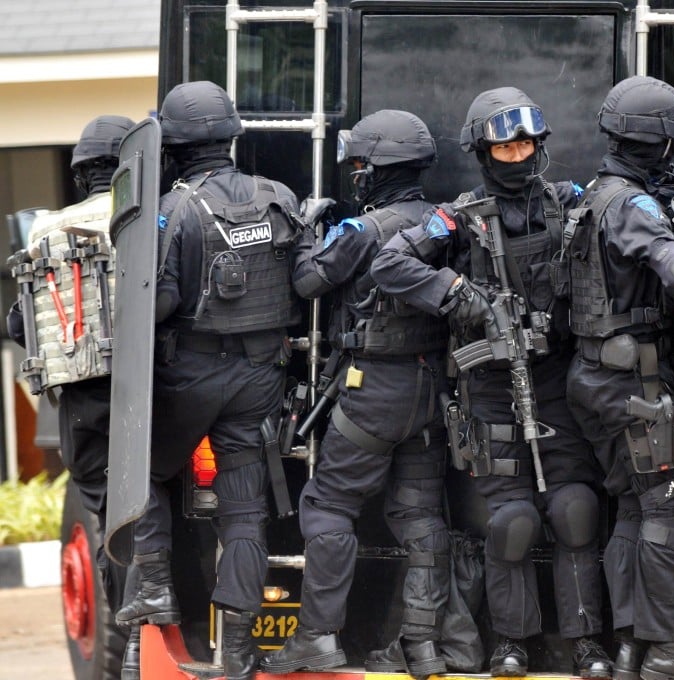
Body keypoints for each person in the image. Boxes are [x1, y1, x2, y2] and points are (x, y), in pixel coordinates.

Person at [371, 87, 612, 679]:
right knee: (512, 523)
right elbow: (390, 264)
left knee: (576, 510)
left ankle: (586, 644)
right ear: (484, 152)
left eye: (526, 145)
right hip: (491, 389)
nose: (518, 156)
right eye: (505, 148)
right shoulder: (459, 217)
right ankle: (511, 641)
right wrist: (461, 295)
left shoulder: (568, 202)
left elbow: (635, 212)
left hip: (557, 382)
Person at [113, 80, 305, 680]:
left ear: (172, 146)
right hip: (262, 377)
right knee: (244, 511)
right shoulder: (280, 197)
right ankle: (240, 651)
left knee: (141, 472)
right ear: (230, 137)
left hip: (192, 373)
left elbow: (159, 302)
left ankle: (155, 588)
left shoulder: (171, 210)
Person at [260, 110, 453, 677]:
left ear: (378, 169)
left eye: (361, 165)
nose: (356, 174)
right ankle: (421, 646)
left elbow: (308, 282)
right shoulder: (445, 222)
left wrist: (306, 230)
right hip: (432, 391)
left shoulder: (363, 230)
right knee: (421, 517)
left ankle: (318, 637)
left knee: (328, 505)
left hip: (373, 392)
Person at [561, 75, 674, 680]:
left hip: (595, 377)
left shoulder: (591, 195)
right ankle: (668, 649)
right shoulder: (633, 205)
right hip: (633, 384)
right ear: (661, 144)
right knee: (669, 504)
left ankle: (631, 646)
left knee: (635, 512)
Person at [5, 114, 142, 680]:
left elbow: (20, 324)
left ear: (80, 174)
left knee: (110, 519)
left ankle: (134, 642)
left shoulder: (45, 230)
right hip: (148, 392)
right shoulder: (146, 216)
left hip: (80, 402)